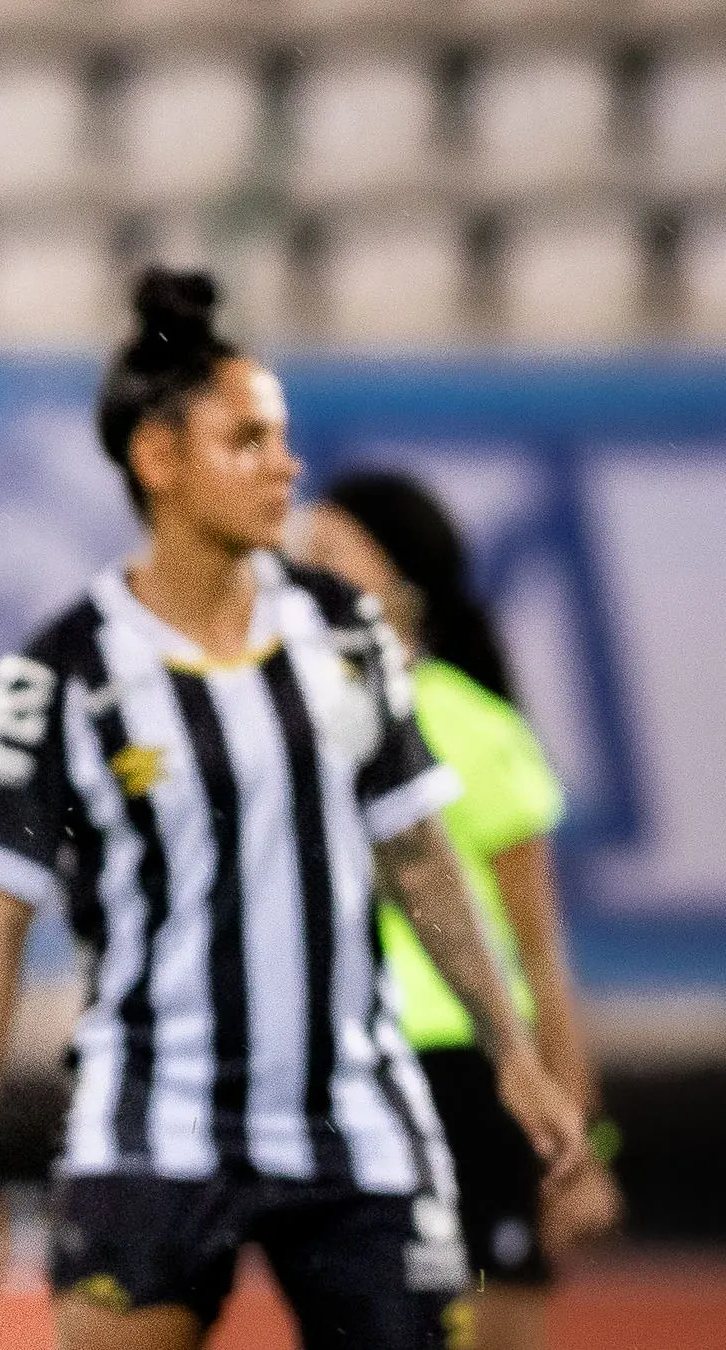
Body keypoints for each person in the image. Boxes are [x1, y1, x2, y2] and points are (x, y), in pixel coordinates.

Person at [0, 269, 588, 1350]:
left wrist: (518, 1065)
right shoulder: (63, 674)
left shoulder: (341, 633)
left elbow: (419, 858)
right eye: (249, 440)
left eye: (281, 438)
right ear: (158, 460)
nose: (287, 465)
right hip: (152, 1124)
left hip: (357, 1123)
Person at [295, 473, 621, 1350]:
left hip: (468, 1071)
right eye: (296, 557)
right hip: (341, 1072)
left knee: (496, 1333)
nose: (299, 576)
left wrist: (585, 1140)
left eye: (327, 555)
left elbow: (540, 952)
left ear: (399, 582)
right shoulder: (287, 720)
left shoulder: (473, 728)